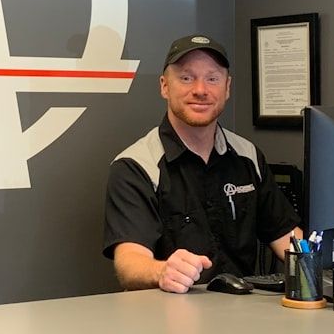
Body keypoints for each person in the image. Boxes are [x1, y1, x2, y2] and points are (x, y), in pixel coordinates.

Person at [102, 34, 301, 293]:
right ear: (164, 86)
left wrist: (322, 261)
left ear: (227, 88)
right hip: (166, 317)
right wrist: (163, 271)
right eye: (186, 77)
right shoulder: (136, 165)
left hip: (245, 315)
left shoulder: (247, 156)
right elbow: (130, 263)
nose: (200, 89)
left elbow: (286, 237)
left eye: (212, 78)